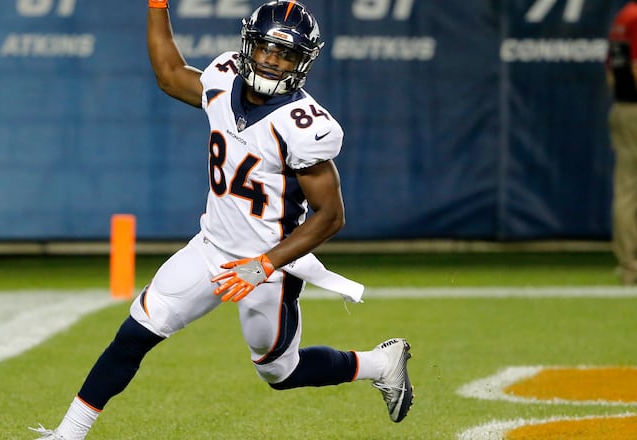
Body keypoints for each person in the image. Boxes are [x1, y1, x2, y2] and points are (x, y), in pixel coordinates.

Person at [31, 1, 413, 438]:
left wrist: (263, 265)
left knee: (279, 372)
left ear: (302, 62)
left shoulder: (304, 125)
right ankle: (67, 434)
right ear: (249, 45)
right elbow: (171, 74)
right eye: (267, 48)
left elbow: (330, 216)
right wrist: (158, 6)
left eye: (285, 54)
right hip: (211, 246)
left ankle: (381, 363)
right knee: (136, 331)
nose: (272, 60)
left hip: (271, 264)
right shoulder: (224, 76)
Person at [607, 0, 637, 285]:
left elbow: (611, 72)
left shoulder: (624, 15)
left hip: (622, 107)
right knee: (630, 191)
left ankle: (630, 265)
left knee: (628, 189)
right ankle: (632, 264)